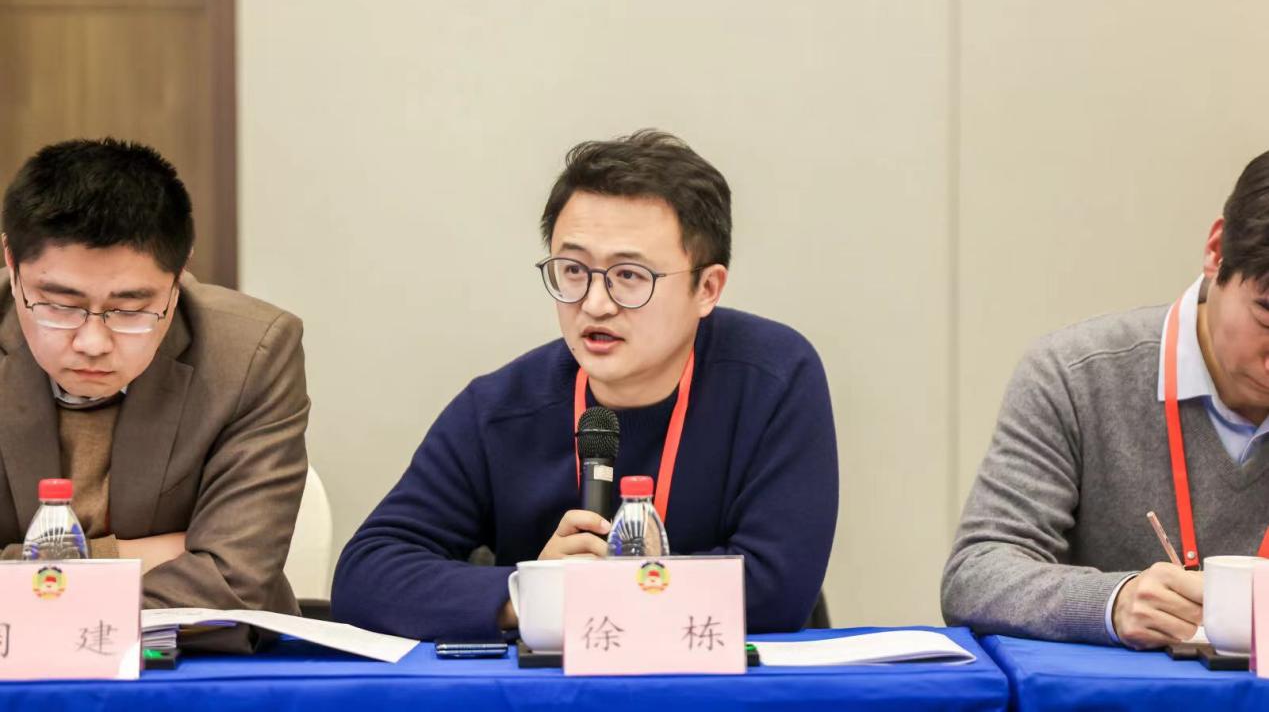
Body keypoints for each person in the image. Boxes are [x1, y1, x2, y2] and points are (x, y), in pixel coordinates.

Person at [332, 129, 837, 640]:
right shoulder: (500, 410)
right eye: (574, 270)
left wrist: (602, 591)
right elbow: (367, 576)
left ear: (707, 288)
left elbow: (776, 588)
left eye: (630, 275)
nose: (595, 303)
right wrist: (529, 594)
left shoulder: (772, 380)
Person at [943, 152, 1269, 649]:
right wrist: (1112, 602)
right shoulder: (1076, 376)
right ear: (1216, 251)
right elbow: (976, 574)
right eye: (1267, 312)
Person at [0, 138, 309, 627]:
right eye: (60, 305)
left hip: (191, 655)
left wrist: (28, 580)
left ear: (179, 276)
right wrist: (131, 555)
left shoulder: (253, 353)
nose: (93, 342)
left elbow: (235, 581)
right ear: (12, 263)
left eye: (130, 310)